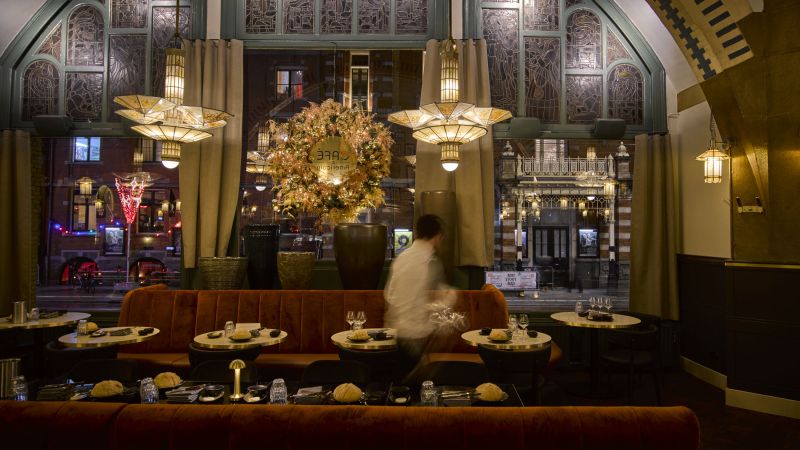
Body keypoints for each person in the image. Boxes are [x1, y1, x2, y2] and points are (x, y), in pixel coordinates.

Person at [384, 214, 455, 381]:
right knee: (417, 384)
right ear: (438, 236)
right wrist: (451, 297)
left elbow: (389, 295)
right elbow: (440, 303)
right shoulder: (430, 262)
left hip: (398, 333)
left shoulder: (401, 258)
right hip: (416, 336)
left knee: (402, 383)